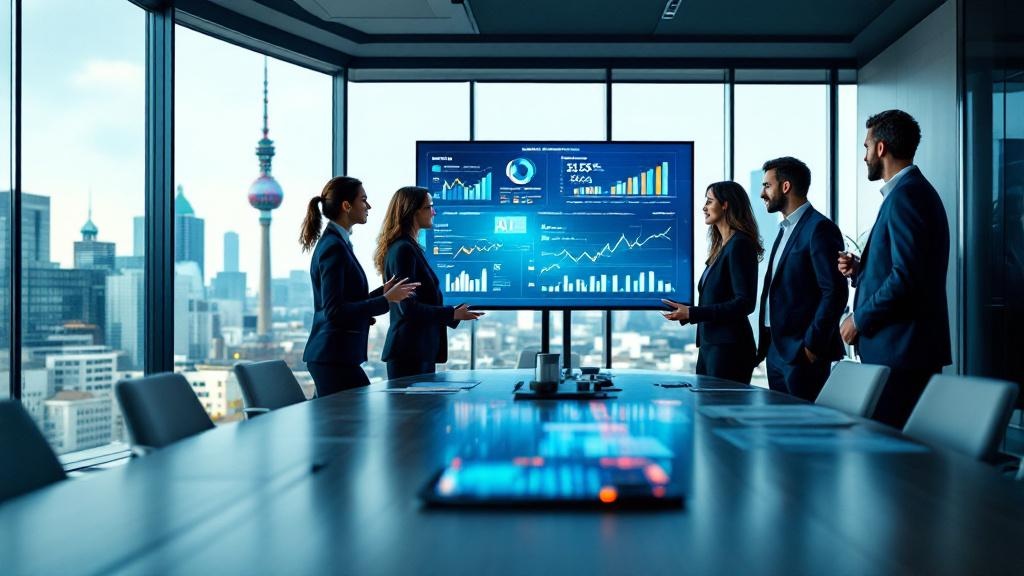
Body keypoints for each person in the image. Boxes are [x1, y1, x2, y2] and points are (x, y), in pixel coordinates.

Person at [838, 109, 951, 428]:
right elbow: (907, 269)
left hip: (902, 353)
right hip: (902, 351)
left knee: (891, 457)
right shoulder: (910, 193)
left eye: (865, 147)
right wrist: (862, 270)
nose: (864, 156)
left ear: (881, 148)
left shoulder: (907, 197)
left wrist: (858, 320)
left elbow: (906, 279)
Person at [300, 176, 418, 397]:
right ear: (346, 206)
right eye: (363, 200)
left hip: (337, 357)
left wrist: (382, 293)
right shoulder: (333, 247)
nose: (368, 206)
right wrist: (386, 300)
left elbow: (346, 301)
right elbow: (334, 311)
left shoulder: (339, 242)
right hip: (333, 357)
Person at [755, 156, 848, 401]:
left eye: (767, 185)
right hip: (776, 349)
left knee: (805, 431)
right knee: (781, 427)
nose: (762, 193)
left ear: (786, 187)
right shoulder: (784, 229)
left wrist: (811, 347)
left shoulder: (819, 228)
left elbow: (835, 291)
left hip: (802, 352)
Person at [375, 186, 482, 379]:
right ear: (413, 212)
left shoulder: (409, 247)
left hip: (418, 352)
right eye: (429, 207)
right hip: (409, 354)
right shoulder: (403, 250)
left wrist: (453, 313)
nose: (434, 212)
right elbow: (408, 308)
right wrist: (452, 313)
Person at [663, 181, 763, 383]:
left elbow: (744, 303)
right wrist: (688, 310)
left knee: (721, 412)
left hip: (729, 349)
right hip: (712, 347)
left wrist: (692, 313)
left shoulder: (739, 244)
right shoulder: (722, 247)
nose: (704, 207)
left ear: (725, 205)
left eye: (709, 202)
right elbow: (718, 297)